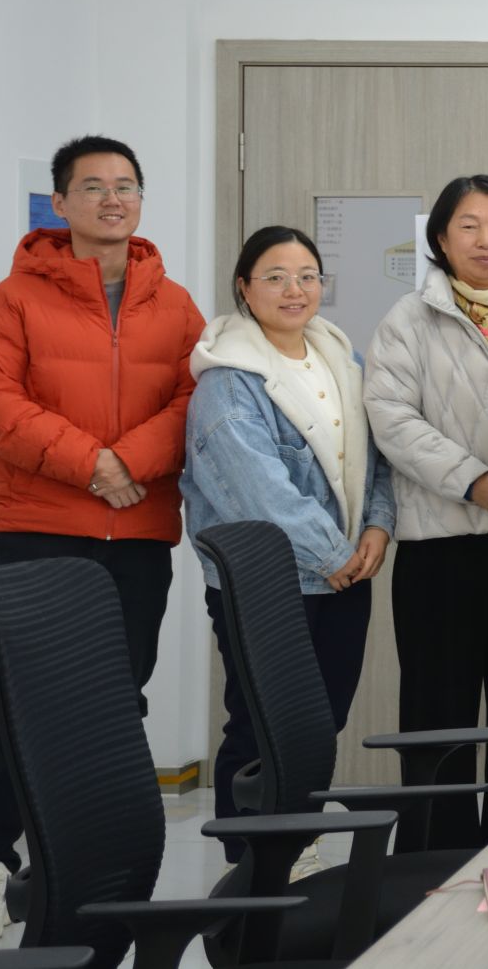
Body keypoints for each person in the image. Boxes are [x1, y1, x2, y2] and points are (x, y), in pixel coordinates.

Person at [0, 134, 204, 938]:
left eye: (127, 185)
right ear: (61, 202)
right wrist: (93, 465)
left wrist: (128, 462)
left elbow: (194, 399)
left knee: (115, 700)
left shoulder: (174, 303)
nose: (113, 199)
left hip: (138, 532)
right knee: (18, 700)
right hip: (39, 528)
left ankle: (75, 857)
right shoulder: (12, 300)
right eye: (95, 186)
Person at [181, 226, 396, 860]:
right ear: (244, 288)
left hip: (346, 575)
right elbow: (259, 492)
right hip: (270, 584)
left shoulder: (342, 359)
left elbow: (376, 459)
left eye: (306, 276)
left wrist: (378, 526)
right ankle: (250, 870)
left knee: (318, 725)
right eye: (274, 277)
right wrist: (334, 554)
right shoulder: (228, 381)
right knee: (259, 726)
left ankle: (293, 850)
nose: (293, 289)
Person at [365, 175, 488, 847]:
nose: (486, 240)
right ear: (441, 239)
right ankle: (429, 863)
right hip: (441, 549)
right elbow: (392, 419)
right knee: (438, 716)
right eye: (468, 226)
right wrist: (476, 481)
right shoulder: (408, 320)